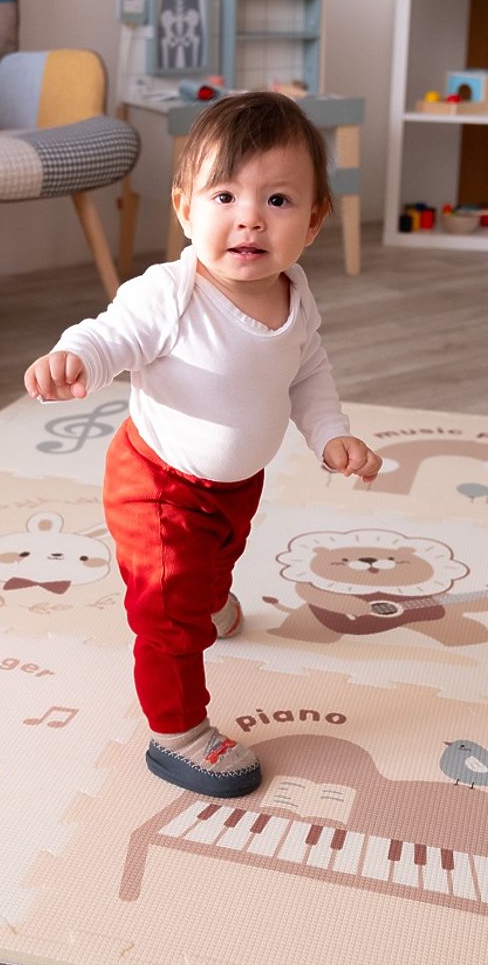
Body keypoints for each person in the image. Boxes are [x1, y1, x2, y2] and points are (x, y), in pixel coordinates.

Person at [24, 91, 382, 798]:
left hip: (235, 485)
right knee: (166, 615)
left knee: (219, 556)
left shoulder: (294, 292)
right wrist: (77, 358)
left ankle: (211, 596)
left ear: (313, 220)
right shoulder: (171, 291)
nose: (250, 217)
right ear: (185, 209)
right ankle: (177, 733)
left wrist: (331, 433)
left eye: (277, 200)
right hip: (158, 486)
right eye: (224, 196)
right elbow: (112, 333)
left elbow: (307, 372)